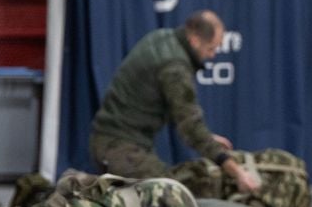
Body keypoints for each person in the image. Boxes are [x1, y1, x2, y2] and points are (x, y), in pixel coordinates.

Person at [88, 11, 261, 193]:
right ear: (194, 40)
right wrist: (235, 171)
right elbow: (190, 126)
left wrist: (207, 138)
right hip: (120, 149)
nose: (212, 56)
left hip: (112, 143)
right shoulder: (174, 66)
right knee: (173, 200)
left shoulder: (162, 37)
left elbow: (171, 107)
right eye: (211, 48)